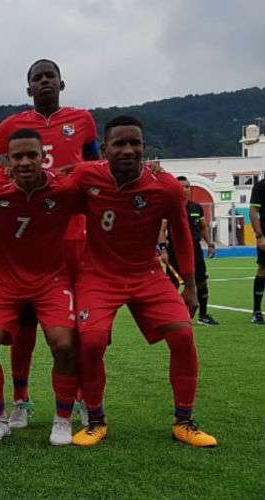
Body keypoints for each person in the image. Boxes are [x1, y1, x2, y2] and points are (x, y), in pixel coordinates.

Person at [70, 115, 217, 448]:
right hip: (98, 274)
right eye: (119, 143)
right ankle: (95, 419)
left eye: (134, 143)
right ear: (104, 149)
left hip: (146, 273)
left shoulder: (163, 185)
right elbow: (55, 194)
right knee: (91, 342)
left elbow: (181, 233)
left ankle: (185, 421)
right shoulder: (86, 176)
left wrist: (190, 285)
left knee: (182, 335)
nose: (128, 150)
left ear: (144, 147)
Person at [0, 59, 99, 428]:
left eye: (50, 76)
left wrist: (73, 173)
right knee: (24, 323)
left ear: (62, 83)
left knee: (72, 327)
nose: (44, 81)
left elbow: (96, 166)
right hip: (28, 236)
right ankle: (20, 399)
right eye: (37, 78)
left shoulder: (82, 120)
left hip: (72, 235)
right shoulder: (14, 124)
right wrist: (5, 175)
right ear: (28, 88)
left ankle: (77, 398)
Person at [0, 129, 80, 445]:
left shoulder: (63, 188)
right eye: (17, 157)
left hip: (51, 282)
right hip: (5, 283)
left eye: (31, 155)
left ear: (43, 157)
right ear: (7, 161)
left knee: (64, 344)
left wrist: (153, 171)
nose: (24, 162)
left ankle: (63, 419)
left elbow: (103, 181)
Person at [159, 176, 219, 325]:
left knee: (202, 282)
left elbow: (203, 227)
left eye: (187, 187)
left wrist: (210, 243)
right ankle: (169, 315)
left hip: (195, 251)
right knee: (172, 285)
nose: (184, 190)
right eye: (181, 187)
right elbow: (162, 230)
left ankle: (203, 316)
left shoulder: (196, 207)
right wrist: (163, 249)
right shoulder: (169, 208)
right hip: (175, 251)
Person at [248, 178, 265, 324]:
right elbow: (253, 210)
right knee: (263, 270)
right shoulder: (261, 186)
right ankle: (257, 311)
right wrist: (259, 235)